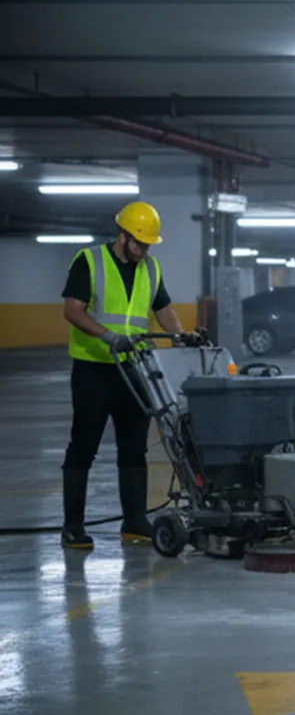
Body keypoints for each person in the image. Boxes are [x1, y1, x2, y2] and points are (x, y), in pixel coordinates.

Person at [59, 201, 185, 550]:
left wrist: (182, 338)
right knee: (84, 446)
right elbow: (72, 310)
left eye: (148, 245)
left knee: (134, 448)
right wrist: (107, 336)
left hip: (135, 369)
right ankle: (73, 527)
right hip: (94, 369)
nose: (144, 250)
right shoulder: (89, 261)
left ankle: (134, 522)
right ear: (122, 235)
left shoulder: (151, 268)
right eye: (140, 243)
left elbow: (164, 310)